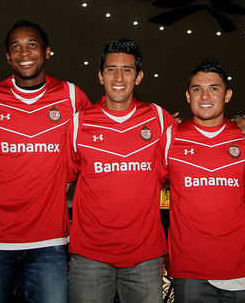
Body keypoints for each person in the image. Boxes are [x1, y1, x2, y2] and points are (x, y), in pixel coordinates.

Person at [0, 20, 90, 303]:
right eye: (16, 47)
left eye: (32, 45)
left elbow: (98, 142)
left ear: (47, 52)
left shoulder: (72, 96)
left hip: (48, 243)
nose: (24, 53)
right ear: (8, 57)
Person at [67, 38, 177, 303]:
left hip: (145, 257)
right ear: (100, 76)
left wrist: (239, 121)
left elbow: (198, 139)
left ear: (138, 76)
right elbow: (60, 181)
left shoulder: (159, 119)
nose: (118, 77)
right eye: (111, 69)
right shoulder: (79, 123)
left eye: (127, 70)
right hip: (90, 257)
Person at [159, 58, 245, 303]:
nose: (205, 96)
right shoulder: (170, 138)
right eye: (197, 89)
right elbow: (147, 185)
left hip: (242, 269)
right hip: (190, 270)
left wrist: (230, 208)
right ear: (188, 96)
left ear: (227, 95)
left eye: (214, 88)